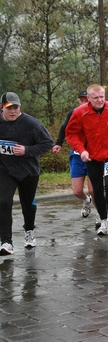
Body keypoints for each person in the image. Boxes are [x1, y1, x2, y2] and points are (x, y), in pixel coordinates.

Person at [65, 84, 108, 235]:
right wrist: (81, 150)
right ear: (88, 98)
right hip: (92, 155)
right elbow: (71, 133)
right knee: (96, 189)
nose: (100, 100)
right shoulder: (80, 112)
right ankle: (103, 220)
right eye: (95, 98)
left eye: (102, 97)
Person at [0, 92, 53, 255]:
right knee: (3, 202)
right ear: (1, 107)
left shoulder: (31, 124)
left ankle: (29, 230)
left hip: (28, 171)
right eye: (9, 108)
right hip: (5, 169)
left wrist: (27, 150)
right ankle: (6, 242)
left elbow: (48, 143)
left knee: (28, 204)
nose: (13, 111)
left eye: (16, 107)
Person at [52, 90, 95, 218]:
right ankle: (87, 200)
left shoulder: (97, 112)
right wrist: (59, 143)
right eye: (81, 100)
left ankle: (101, 216)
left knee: (93, 190)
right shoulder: (74, 113)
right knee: (77, 191)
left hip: (94, 156)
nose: (83, 102)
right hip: (77, 155)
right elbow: (64, 128)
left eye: (86, 100)